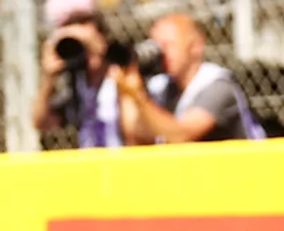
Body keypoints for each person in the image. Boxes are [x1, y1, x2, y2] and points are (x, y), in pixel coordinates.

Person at [113, 9, 264, 142]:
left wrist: (139, 97)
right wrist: (126, 88)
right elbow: (138, 135)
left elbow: (181, 135)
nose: (161, 53)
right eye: (156, 45)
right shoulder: (164, 87)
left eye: (168, 45)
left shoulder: (218, 86)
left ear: (195, 47)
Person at [39, 0, 123, 149]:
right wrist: (48, 78)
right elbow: (42, 121)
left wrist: (99, 48)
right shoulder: (79, 85)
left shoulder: (121, 71)